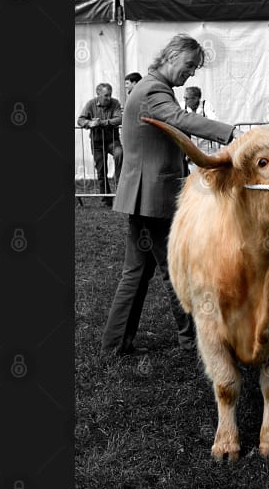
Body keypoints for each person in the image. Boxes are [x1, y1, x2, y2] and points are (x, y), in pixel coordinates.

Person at [100, 34, 241, 357]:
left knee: (137, 272)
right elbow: (180, 120)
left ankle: (115, 344)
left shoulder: (152, 87)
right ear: (172, 56)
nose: (191, 74)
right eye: (189, 65)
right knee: (176, 271)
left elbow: (172, 131)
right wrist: (229, 133)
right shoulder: (153, 90)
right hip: (154, 198)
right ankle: (192, 341)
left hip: (146, 196)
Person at [77, 83, 123, 207]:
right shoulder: (90, 104)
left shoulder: (115, 103)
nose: (109, 98)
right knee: (101, 171)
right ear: (98, 95)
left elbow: (119, 119)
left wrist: (102, 122)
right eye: (106, 95)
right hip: (97, 143)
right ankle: (106, 199)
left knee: (120, 154)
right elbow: (80, 120)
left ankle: (121, 194)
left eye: (110, 95)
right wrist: (89, 123)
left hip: (113, 140)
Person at [180, 86, 219, 160]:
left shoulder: (206, 105)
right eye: (184, 98)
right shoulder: (182, 106)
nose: (185, 100)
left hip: (206, 146)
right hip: (190, 145)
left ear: (196, 98)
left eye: (187, 98)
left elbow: (214, 120)